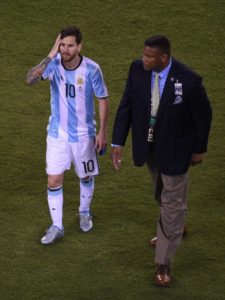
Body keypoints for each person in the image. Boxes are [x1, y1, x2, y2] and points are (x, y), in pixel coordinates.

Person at [111, 35, 212, 286]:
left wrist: (199, 149)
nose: (143, 59)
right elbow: (127, 104)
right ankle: (175, 223)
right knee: (162, 194)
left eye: (149, 56)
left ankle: (163, 264)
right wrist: (117, 142)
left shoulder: (188, 80)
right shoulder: (137, 69)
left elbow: (203, 115)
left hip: (177, 150)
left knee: (172, 202)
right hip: (149, 149)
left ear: (163, 58)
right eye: (144, 54)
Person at [26, 26, 109, 245]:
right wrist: (51, 54)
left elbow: (103, 99)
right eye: (62, 45)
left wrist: (102, 131)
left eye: (70, 45)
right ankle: (57, 226)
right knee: (53, 180)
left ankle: (84, 211)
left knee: (85, 176)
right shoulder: (53, 65)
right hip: (57, 135)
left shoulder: (92, 69)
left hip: (84, 136)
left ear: (79, 46)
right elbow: (30, 79)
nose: (66, 49)